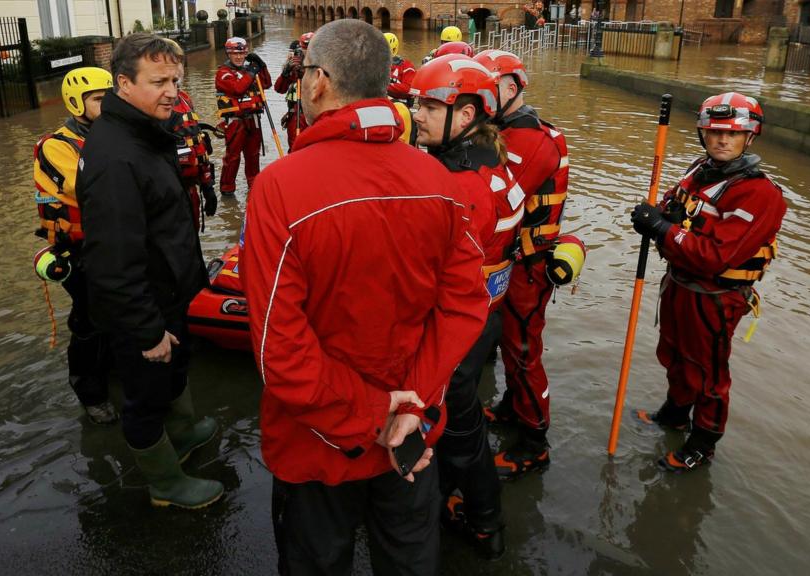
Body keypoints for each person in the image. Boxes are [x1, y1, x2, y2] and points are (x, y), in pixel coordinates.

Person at [241, 20, 489, 575]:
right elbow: (465, 305)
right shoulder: (440, 180)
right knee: (408, 558)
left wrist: (374, 417)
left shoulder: (280, 188)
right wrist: (410, 405)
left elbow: (278, 351)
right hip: (411, 434)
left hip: (319, 444)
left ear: (319, 82)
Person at [78, 33, 223, 509]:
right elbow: (112, 262)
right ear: (123, 84)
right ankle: (165, 484)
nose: (172, 91)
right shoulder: (115, 157)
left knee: (174, 373)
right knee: (144, 398)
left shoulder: (144, 132)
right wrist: (146, 331)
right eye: (158, 81)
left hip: (170, 291)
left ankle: (181, 433)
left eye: (176, 80)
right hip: (145, 309)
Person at [630, 92, 787, 472]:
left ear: (750, 137)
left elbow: (715, 255)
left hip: (716, 296)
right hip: (679, 285)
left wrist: (662, 228)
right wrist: (653, 216)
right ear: (704, 134)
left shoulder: (759, 194)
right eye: (715, 132)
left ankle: (703, 441)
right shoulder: (699, 170)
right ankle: (675, 413)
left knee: (709, 372)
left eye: (732, 134)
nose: (722, 140)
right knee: (672, 352)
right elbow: (672, 203)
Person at [411, 53, 522, 559]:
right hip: (487, 314)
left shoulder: (462, 186)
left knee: (458, 426)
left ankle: (484, 523)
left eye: (431, 107)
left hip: (459, 323)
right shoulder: (492, 163)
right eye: (417, 103)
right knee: (465, 417)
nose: (417, 114)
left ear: (467, 114)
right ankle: (475, 511)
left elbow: (432, 271)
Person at [473, 49, 576, 479]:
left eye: (486, 90)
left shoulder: (532, 140)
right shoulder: (502, 130)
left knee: (522, 350)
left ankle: (536, 441)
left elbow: (499, 200)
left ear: (511, 89)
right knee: (506, 343)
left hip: (527, 267)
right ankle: (513, 407)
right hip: (508, 265)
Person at [32, 67, 117, 426]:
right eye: (99, 99)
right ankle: (90, 393)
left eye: (110, 97)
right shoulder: (56, 146)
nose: (107, 105)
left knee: (120, 313)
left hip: (115, 243)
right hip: (80, 251)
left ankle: (115, 371)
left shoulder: (114, 134)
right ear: (76, 103)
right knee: (89, 321)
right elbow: (91, 185)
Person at [162, 39, 217, 230]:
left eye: (178, 63)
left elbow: (197, 144)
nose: (176, 70)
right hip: (169, 195)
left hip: (191, 188)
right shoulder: (153, 107)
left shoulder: (184, 98)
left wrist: (207, 185)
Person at [215, 37, 272, 195]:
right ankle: (227, 189)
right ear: (228, 54)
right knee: (233, 158)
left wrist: (262, 66)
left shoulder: (249, 71)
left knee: (253, 155)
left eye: (242, 53)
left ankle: (254, 187)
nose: (239, 57)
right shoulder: (223, 73)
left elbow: (267, 83)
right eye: (235, 54)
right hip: (235, 122)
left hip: (253, 120)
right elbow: (238, 88)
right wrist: (252, 72)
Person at [274, 31, 314, 151]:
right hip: (296, 114)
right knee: (295, 149)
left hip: (315, 115)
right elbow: (279, 89)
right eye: (304, 48)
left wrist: (304, 72)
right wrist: (286, 73)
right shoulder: (294, 66)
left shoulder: (323, 65)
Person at [383, 32, 415, 104]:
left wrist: (384, 86)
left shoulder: (406, 66)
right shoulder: (374, 65)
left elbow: (409, 89)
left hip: (399, 104)